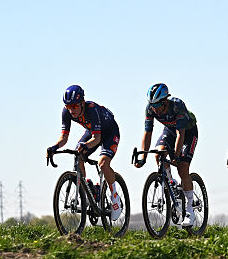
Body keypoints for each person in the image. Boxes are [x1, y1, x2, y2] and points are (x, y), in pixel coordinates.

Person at [47, 85, 124, 221]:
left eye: (74, 107)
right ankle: (87, 190)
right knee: (78, 155)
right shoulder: (66, 112)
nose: (71, 110)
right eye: (68, 107)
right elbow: (64, 137)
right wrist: (54, 147)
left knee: (103, 163)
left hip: (109, 132)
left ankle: (115, 197)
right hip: (92, 132)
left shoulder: (92, 110)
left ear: (82, 103)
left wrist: (86, 145)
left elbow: (97, 139)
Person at [136, 83, 199, 226]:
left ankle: (190, 209)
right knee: (159, 154)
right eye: (152, 105)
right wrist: (143, 157)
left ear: (165, 101)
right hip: (170, 130)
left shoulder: (177, 105)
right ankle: (172, 183)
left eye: (158, 105)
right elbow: (148, 133)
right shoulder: (150, 109)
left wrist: (176, 156)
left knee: (182, 167)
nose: (155, 109)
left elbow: (180, 133)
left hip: (187, 132)